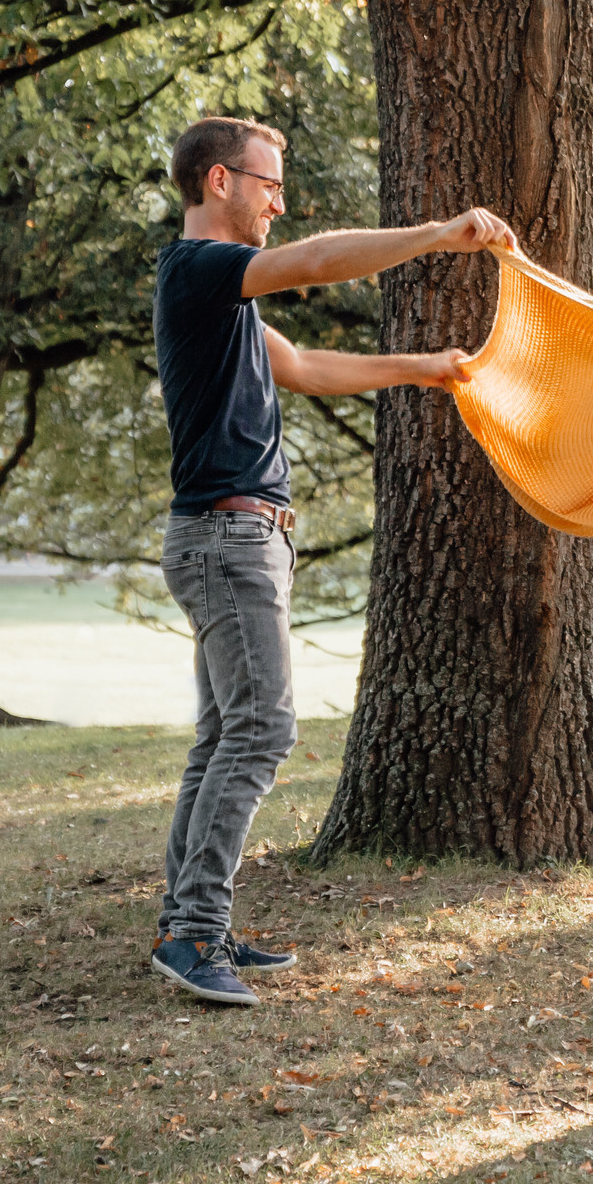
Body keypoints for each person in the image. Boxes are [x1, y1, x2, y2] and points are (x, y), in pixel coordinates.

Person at [150, 115, 511, 1006]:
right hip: (227, 540)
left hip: (234, 539)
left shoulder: (223, 301)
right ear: (219, 182)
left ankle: (190, 920)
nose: (280, 199)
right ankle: (194, 932)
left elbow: (306, 365)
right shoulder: (202, 271)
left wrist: (426, 369)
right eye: (268, 182)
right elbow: (314, 261)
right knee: (263, 731)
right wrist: (440, 234)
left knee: (223, 736)